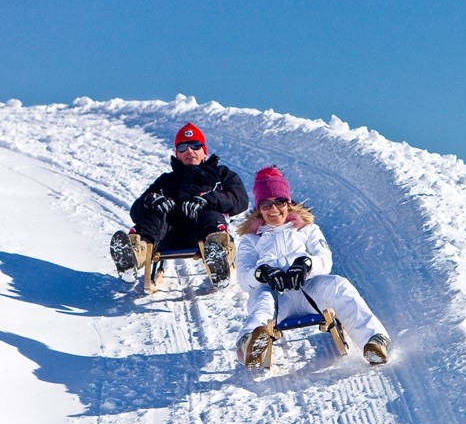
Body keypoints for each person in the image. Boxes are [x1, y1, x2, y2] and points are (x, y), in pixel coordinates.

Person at [234, 166, 392, 369]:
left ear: (288, 202)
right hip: (277, 299)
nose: (273, 209)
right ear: (259, 208)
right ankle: (250, 344)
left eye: (279, 202)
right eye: (265, 204)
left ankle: (374, 340)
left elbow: (325, 259)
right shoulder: (250, 239)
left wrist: (306, 264)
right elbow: (243, 278)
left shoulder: (307, 229)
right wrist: (262, 273)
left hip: (309, 291)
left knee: (338, 285)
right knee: (261, 298)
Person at [110, 122, 248, 288]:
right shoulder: (166, 179)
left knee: (209, 213)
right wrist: (150, 201)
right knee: (155, 214)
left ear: (204, 150)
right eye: (182, 147)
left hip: (202, 231)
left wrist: (208, 200)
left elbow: (239, 199)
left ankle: (220, 257)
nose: (189, 151)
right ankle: (132, 256)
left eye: (195, 146)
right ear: (177, 154)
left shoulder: (220, 174)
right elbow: (136, 211)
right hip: (167, 233)